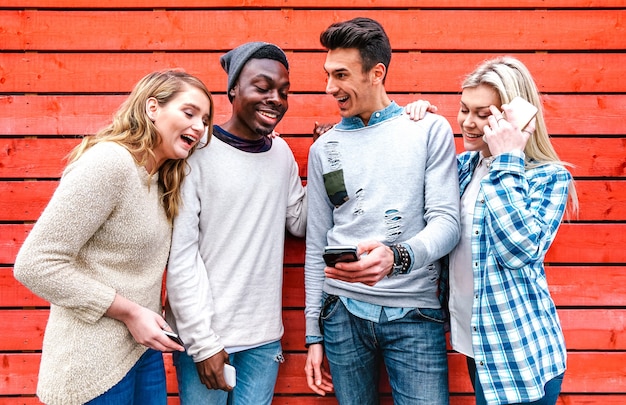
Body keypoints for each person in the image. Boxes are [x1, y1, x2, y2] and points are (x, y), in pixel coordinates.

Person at [12, 70, 214, 405]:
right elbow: (35, 264)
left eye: (205, 120)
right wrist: (130, 313)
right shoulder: (109, 162)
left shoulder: (159, 179)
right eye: (189, 113)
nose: (199, 127)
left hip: (139, 354)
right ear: (152, 108)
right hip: (91, 364)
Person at [304, 17, 460, 404]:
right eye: (327, 74)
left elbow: (447, 223)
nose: (329, 88)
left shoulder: (428, 129)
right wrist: (313, 334)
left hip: (415, 314)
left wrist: (398, 257)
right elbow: (316, 242)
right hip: (341, 313)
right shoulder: (324, 149)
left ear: (377, 73)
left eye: (341, 75)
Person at [404, 56, 578, 405]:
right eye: (464, 109)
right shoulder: (465, 167)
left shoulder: (548, 176)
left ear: (515, 118)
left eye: (484, 114)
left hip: (518, 353)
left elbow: (520, 251)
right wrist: (411, 124)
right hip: (476, 345)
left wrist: (508, 157)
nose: (468, 123)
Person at [164, 42, 307, 405]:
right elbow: (181, 258)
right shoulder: (195, 154)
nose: (275, 98)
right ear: (233, 90)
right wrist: (201, 344)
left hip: (263, 339)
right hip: (206, 341)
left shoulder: (282, 154)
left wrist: (330, 158)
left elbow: (301, 223)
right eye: (262, 87)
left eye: (283, 92)